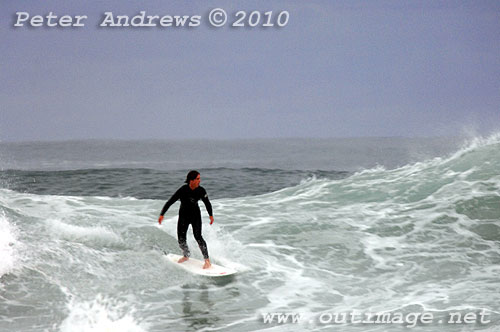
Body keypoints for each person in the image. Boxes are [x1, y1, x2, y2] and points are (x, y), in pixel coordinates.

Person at [158, 170, 214, 269]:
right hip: (184, 216)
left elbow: (207, 203)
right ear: (191, 180)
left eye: (199, 179)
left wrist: (211, 215)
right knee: (181, 239)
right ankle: (186, 255)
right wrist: (162, 214)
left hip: (195, 216)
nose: (199, 181)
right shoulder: (183, 190)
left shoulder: (201, 190)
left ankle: (207, 260)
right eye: (197, 179)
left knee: (198, 237)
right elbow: (170, 201)